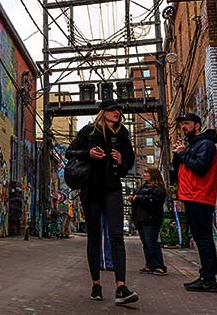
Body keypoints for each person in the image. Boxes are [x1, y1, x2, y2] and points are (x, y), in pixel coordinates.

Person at [66, 99, 138, 305]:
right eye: (113, 109)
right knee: (94, 237)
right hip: (91, 189)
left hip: (113, 189)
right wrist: (87, 154)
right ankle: (96, 284)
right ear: (103, 112)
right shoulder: (89, 131)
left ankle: (121, 288)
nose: (118, 112)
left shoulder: (123, 133)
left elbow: (130, 161)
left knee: (116, 236)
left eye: (120, 110)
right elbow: (69, 152)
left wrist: (122, 160)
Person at [172, 112, 217, 292]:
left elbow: (200, 167)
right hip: (191, 197)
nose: (183, 127)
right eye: (182, 124)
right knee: (200, 238)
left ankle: (209, 279)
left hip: (200, 197)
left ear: (197, 125)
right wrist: (179, 154)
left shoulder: (206, 145)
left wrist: (183, 154)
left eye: (187, 123)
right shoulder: (192, 146)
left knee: (204, 238)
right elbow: (180, 169)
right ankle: (205, 276)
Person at [130, 167, 167, 276]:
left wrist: (138, 198)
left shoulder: (158, 189)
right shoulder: (141, 187)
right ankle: (150, 264)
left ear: (153, 174)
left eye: (147, 172)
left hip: (151, 220)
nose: (144, 174)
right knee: (146, 243)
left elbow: (154, 201)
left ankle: (159, 266)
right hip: (141, 219)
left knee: (151, 242)